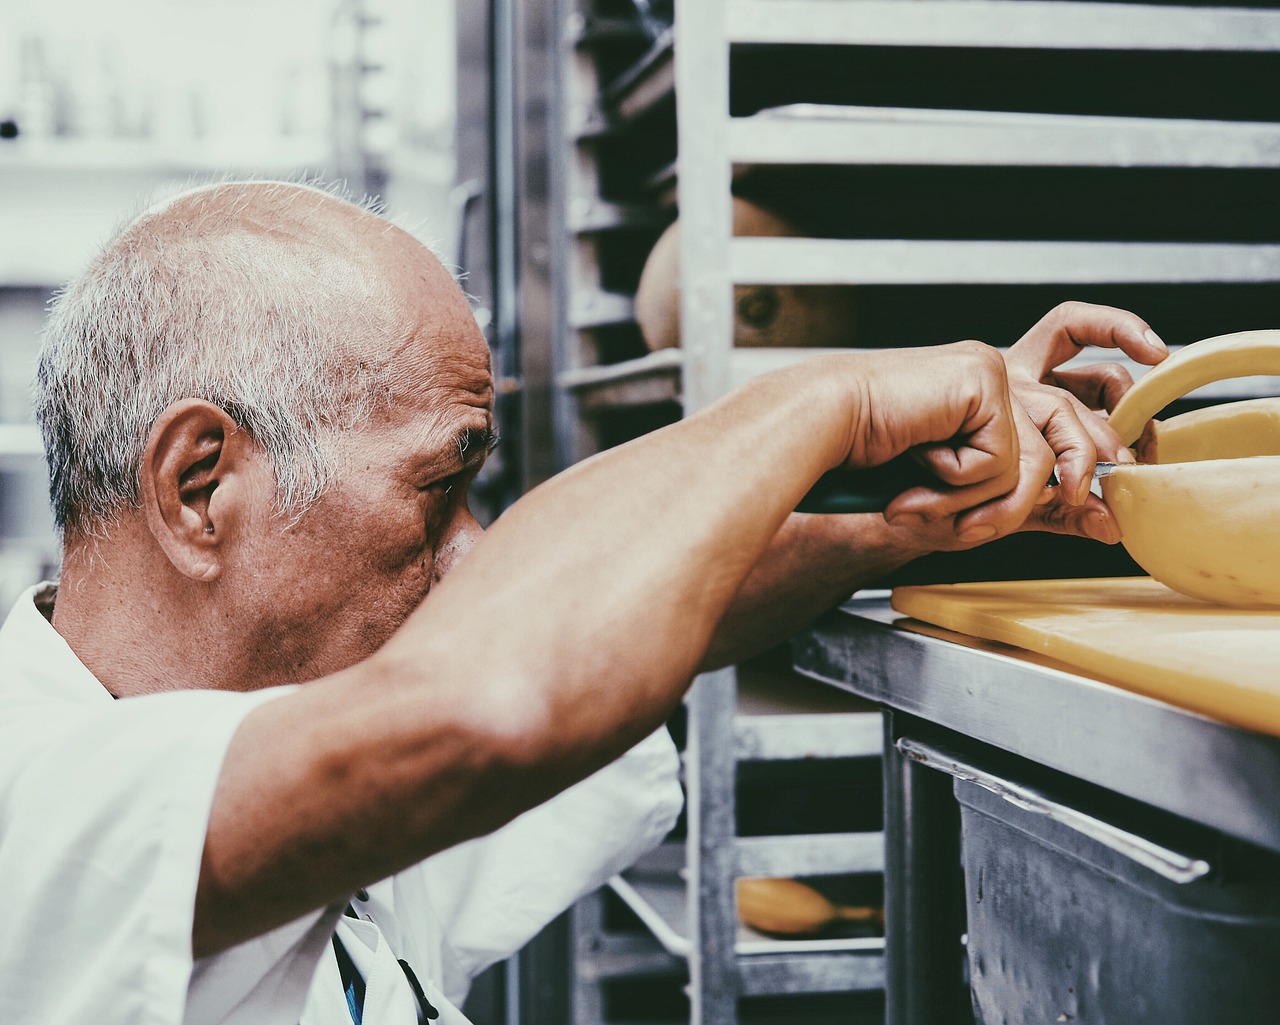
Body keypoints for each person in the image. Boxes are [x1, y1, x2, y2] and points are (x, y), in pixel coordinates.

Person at [0, 180, 1166, 1025]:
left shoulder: (279, 734)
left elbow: (651, 609)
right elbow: (496, 691)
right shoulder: (35, 800)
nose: (469, 557)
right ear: (201, 485)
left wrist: (909, 509)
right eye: (436, 487)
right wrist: (828, 402)